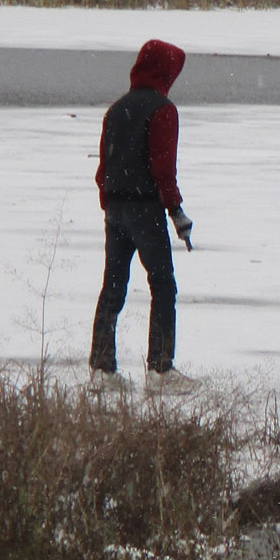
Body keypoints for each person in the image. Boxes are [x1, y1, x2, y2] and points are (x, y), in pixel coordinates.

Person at [89, 39, 200, 395]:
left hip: (116, 210)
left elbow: (103, 169)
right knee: (163, 284)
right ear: (164, 71)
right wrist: (176, 211)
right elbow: (163, 168)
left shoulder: (116, 109)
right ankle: (160, 371)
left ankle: (102, 370)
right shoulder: (163, 110)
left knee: (112, 288)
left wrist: (109, 201)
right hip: (145, 210)